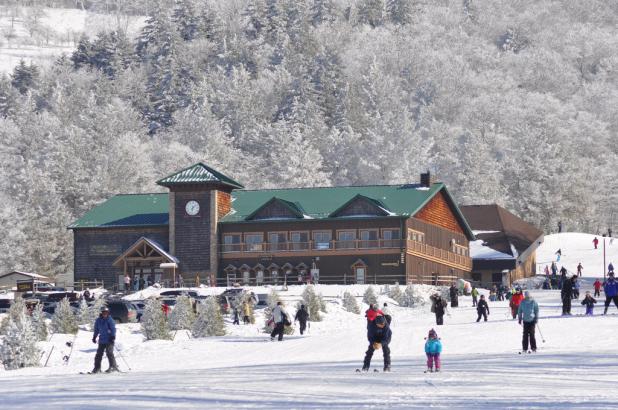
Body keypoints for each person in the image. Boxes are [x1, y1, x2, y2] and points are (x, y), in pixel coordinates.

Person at [92, 306, 118, 373]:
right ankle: (97, 368)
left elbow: (113, 329)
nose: (105, 314)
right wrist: (94, 337)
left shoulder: (110, 320)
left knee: (109, 353)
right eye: (103, 312)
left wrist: (113, 336)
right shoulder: (98, 320)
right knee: (98, 354)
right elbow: (96, 329)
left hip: (109, 340)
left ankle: (113, 367)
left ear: (108, 313)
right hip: (102, 340)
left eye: (106, 312)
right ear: (101, 313)